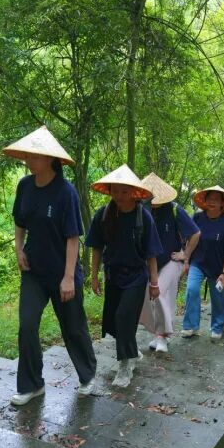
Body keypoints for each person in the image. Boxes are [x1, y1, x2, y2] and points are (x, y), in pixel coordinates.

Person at [3, 127, 98, 405]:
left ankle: (88, 375)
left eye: (35, 155)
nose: (28, 159)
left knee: (73, 327)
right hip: (33, 270)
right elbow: (19, 223)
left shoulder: (65, 192)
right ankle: (32, 384)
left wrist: (69, 277)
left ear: (49, 159)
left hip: (63, 272)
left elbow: (72, 238)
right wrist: (18, 248)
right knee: (27, 325)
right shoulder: (25, 186)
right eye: (28, 155)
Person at [86, 165, 163, 388]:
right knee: (113, 322)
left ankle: (124, 366)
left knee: (124, 316)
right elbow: (97, 248)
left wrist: (154, 282)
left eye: (124, 191)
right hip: (113, 275)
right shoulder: (104, 215)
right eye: (115, 191)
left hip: (137, 277)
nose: (119, 196)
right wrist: (93, 276)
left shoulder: (143, 217)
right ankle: (132, 352)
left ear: (133, 192)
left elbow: (151, 254)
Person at [139, 173, 200, 354]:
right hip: (149, 263)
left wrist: (185, 254)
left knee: (160, 293)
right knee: (148, 297)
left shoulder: (173, 209)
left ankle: (163, 336)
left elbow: (195, 233)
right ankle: (156, 333)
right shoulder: (140, 210)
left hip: (170, 261)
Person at [181, 186, 224, 341]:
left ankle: (217, 326)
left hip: (218, 267)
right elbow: (189, 239)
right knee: (192, 290)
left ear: (222, 203)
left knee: (218, 298)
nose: (212, 202)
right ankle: (190, 326)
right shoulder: (197, 218)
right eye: (210, 199)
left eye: (216, 199)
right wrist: (186, 260)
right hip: (198, 263)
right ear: (205, 201)